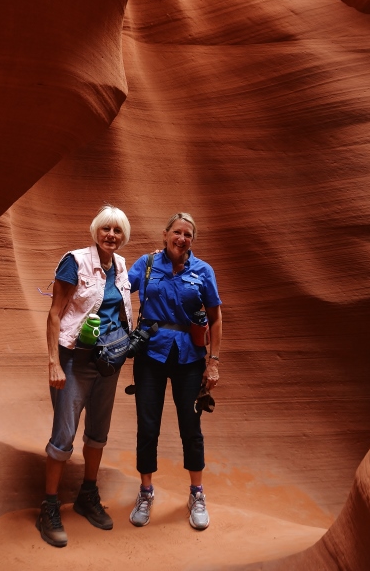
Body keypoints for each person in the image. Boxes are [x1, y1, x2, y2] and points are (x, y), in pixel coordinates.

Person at [36, 204, 133, 548]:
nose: (111, 236)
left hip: (108, 361)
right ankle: (48, 506)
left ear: (124, 236)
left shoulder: (120, 265)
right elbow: (54, 314)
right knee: (64, 434)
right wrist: (53, 363)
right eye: (106, 229)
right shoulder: (74, 261)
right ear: (96, 230)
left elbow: (120, 310)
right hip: (74, 360)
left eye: (118, 231)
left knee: (98, 433)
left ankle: (86, 495)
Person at [128, 212, 222, 531]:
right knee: (148, 425)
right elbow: (119, 291)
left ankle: (196, 493)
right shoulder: (147, 264)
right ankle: (145, 491)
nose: (182, 239)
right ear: (165, 234)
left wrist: (214, 361)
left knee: (190, 428)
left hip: (190, 358)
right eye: (177, 232)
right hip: (150, 355)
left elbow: (216, 316)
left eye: (189, 235)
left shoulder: (203, 271)